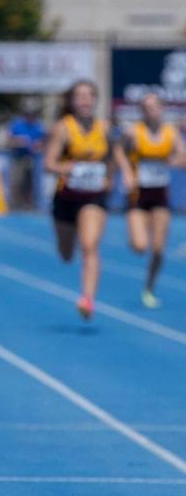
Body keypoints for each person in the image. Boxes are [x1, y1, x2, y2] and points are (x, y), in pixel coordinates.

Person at [44, 80, 117, 320]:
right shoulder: (63, 128)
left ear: (96, 100)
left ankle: (87, 299)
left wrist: (109, 177)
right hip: (66, 197)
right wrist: (67, 168)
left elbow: (113, 158)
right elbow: (49, 163)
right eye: (80, 96)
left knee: (89, 245)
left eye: (89, 96)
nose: (85, 100)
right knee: (67, 255)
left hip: (94, 196)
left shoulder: (105, 127)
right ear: (72, 101)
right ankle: (67, 236)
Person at [114, 92, 185, 309]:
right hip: (138, 195)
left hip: (160, 195)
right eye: (146, 107)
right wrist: (126, 171)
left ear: (161, 109)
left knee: (158, 248)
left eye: (154, 106)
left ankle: (149, 288)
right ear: (141, 111)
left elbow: (182, 156)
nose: (151, 111)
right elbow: (118, 151)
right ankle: (135, 234)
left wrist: (173, 160)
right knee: (139, 245)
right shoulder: (133, 132)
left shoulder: (170, 133)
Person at [8, 103, 46, 209]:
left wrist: (38, 145)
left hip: (31, 157)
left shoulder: (38, 125)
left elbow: (43, 142)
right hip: (18, 157)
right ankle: (15, 203)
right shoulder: (17, 124)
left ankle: (29, 204)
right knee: (17, 180)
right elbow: (9, 141)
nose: (30, 116)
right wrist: (19, 142)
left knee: (29, 181)